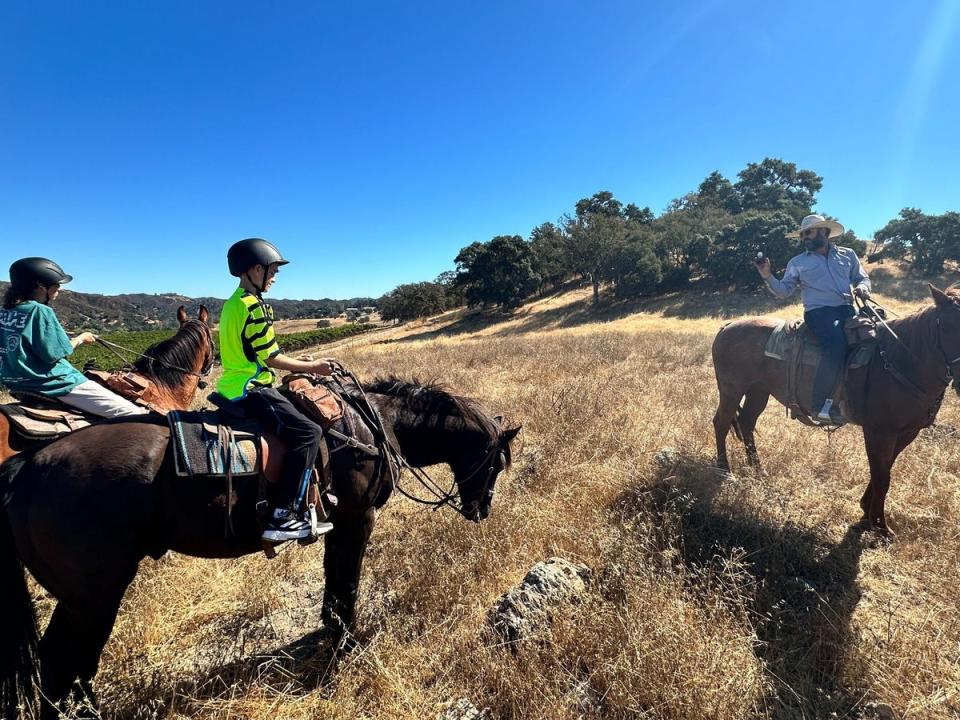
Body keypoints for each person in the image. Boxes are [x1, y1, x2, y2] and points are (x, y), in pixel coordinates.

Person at [217, 238, 335, 543]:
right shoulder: (254, 306)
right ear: (255, 269)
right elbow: (269, 358)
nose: (274, 276)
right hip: (253, 388)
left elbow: (258, 350)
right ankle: (285, 515)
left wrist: (299, 362)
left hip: (231, 387)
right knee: (309, 433)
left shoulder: (232, 304)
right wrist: (313, 368)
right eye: (272, 270)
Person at [756, 214, 872, 425]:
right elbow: (784, 291)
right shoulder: (797, 262)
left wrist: (863, 287)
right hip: (819, 314)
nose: (804, 238)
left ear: (824, 232)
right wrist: (767, 275)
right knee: (836, 344)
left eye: (808, 233)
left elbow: (861, 277)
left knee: (875, 339)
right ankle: (821, 405)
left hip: (847, 310)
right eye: (803, 235)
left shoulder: (848, 255)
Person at [0, 257, 149, 417]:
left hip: (18, 385)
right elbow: (55, 353)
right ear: (40, 285)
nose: (59, 288)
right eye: (56, 284)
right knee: (133, 413)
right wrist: (81, 338)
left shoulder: (4, 312)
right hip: (55, 383)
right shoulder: (40, 311)